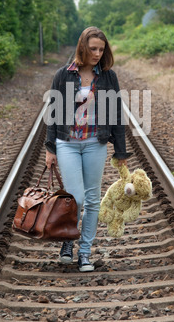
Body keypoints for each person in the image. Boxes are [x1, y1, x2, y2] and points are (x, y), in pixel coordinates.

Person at [45, 26, 131, 272]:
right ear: (82, 47)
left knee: (93, 200)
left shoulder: (107, 76)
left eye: (101, 49)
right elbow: (52, 112)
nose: (97, 53)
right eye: (93, 48)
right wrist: (50, 148)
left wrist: (121, 152)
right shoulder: (63, 75)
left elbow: (116, 115)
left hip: (95, 143)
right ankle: (67, 242)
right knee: (76, 198)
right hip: (67, 144)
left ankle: (84, 253)